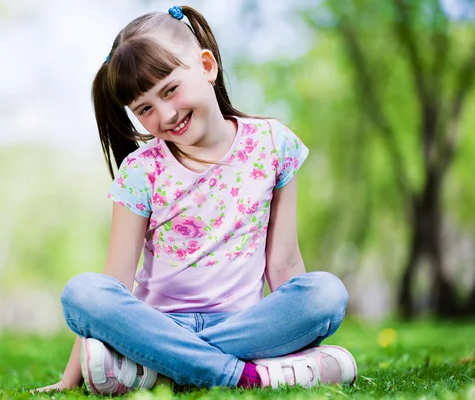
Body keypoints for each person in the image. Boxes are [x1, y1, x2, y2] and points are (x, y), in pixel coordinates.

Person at [33, 4, 357, 395]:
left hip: (244, 326)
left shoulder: (274, 144)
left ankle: (157, 367)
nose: (166, 114)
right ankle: (245, 375)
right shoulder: (141, 171)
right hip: (160, 326)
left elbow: (285, 262)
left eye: (170, 90)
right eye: (145, 109)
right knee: (82, 294)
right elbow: (114, 282)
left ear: (207, 66)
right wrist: (70, 381)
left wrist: (297, 332)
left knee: (325, 293)